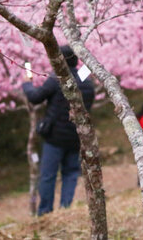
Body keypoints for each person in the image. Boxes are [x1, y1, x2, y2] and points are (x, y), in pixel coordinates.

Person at [21, 45, 96, 216]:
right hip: (77, 136)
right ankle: (65, 209)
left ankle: (45, 212)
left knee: (48, 175)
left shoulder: (57, 80)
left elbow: (35, 98)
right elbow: (89, 105)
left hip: (54, 137)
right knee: (70, 173)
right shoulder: (87, 83)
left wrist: (27, 84)